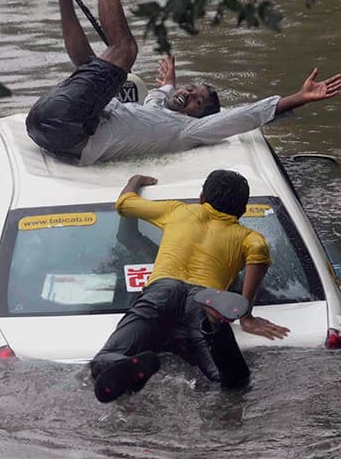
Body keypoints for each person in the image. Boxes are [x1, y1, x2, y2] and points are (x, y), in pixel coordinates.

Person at [26, 0, 341, 166]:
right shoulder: (154, 110)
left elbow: (245, 116)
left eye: (196, 101)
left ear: (202, 117)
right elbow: (158, 96)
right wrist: (169, 83)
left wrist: (298, 98)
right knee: (91, 65)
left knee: (124, 49)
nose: (189, 95)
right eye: (191, 89)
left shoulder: (190, 131)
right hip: (45, 124)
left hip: (65, 131)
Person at [90, 170, 289, 403]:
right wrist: (246, 316)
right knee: (227, 382)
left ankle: (125, 364)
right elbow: (259, 257)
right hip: (203, 301)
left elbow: (125, 204)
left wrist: (135, 180)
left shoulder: (177, 211)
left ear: (202, 197)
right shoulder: (249, 237)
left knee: (104, 358)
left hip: (161, 292)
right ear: (242, 210)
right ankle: (218, 326)